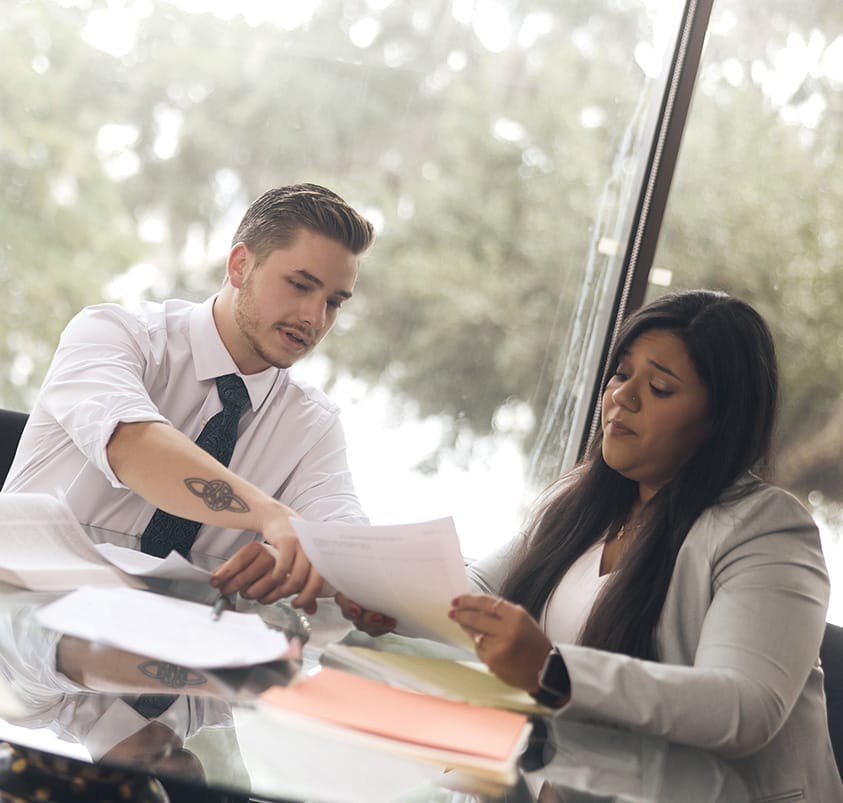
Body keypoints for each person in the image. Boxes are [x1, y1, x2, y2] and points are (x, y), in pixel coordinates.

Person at [341, 289, 841, 800]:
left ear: (719, 422)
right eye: (622, 374)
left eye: (661, 387)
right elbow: (477, 592)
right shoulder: (581, 502)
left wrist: (551, 670)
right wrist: (386, 595)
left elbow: (742, 707)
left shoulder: (767, 529)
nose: (623, 397)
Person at [3, 183, 375, 612]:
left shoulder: (312, 424)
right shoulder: (114, 334)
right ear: (240, 265)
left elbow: (346, 539)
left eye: (333, 302)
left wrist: (299, 559)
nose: (314, 317)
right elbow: (135, 447)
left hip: (177, 652)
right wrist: (275, 517)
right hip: (22, 619)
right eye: (299, 285)